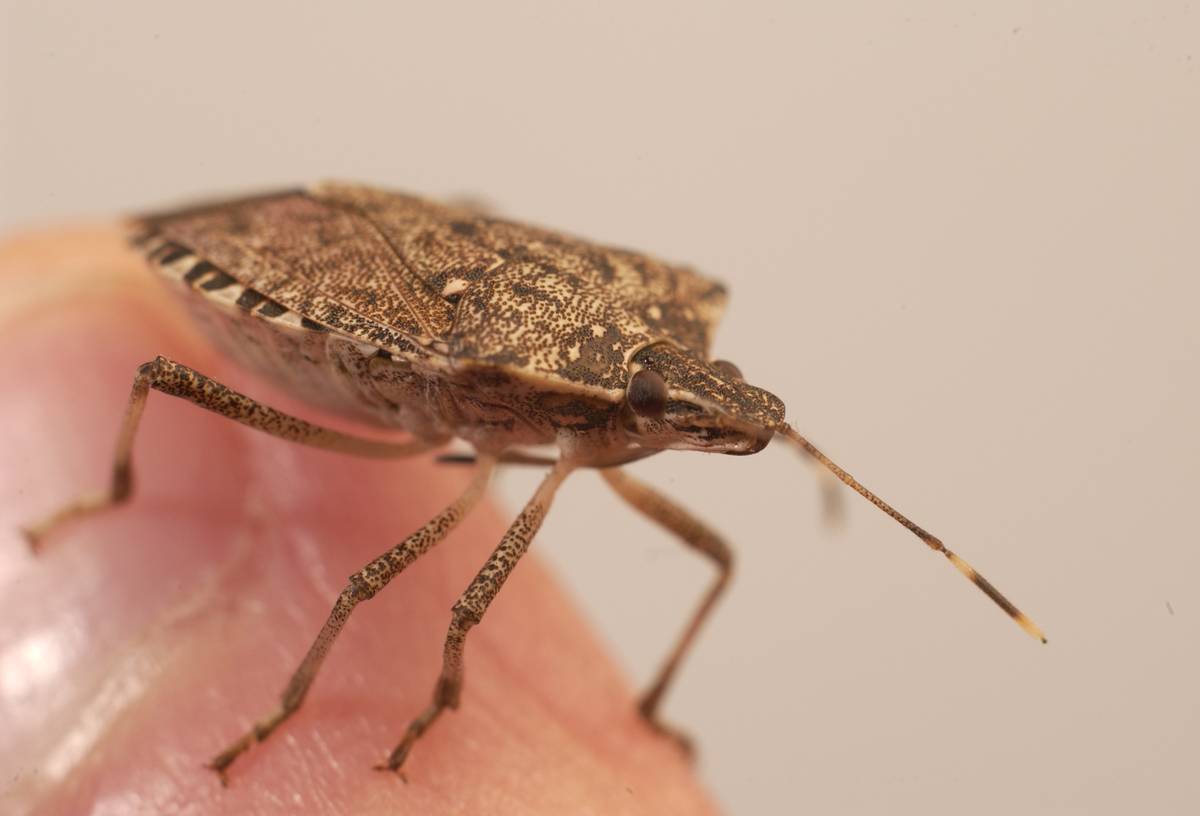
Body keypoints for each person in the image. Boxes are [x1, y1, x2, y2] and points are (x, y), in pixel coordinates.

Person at [0, 225, 718, 814]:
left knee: (718, 556)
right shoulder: (514, 379)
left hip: (375, 240)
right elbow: (456, 612)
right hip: (274, 293)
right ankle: (287, 705)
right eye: (653, 409)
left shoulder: (589, 411)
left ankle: (645, 704)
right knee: (171, 385)